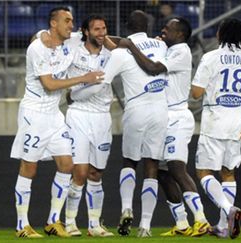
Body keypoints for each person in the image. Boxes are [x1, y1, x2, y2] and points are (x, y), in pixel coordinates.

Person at [10, 7, 103, 238]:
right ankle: (22, 225)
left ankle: (53, 221)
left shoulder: (70, 40)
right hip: (34, 115)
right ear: (53, 23)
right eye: (67, 21)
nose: (71, 25)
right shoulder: (37, 48)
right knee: (29, 168)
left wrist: (127, 43)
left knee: (67, 165)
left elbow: (98, 36)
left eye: (72, 21)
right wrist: (84, 78)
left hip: (54, 115)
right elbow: (49, 85)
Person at [118, 17, 210, 237]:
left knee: (176, 168)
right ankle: (181, 223)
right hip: (161, 116)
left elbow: (152, 67)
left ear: (179, 34)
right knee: (160, 172)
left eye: (167, 29)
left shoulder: (182, 51)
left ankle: (202, 219)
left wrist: (131, 45)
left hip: (177, 117)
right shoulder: (166, 47)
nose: (162, 30)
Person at [191, 18, 241, 239]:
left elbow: (196, 93)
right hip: (238, 122)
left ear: (219, 35)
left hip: (215, 120)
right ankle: (224, 225)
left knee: (204, 171)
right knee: (228, 172)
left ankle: (228, 209)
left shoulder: (211, 57)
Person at [102, 10, 168, 238]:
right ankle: (146, 226)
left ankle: (126, 208)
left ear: (127, 27)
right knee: (152, 165)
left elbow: (103, 79)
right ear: (148, 26)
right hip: (160, 110)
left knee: (130, 161)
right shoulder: (161, 46)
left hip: (137, 109)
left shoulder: (121, 53)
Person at [59, 15, 114, 237]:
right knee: (79, 172)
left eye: (104, 28)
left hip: (103, 117)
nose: (101, 33)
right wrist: (73, 94)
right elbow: (43, 37)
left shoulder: (112, 55)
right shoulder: (72, 47)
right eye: (97, 29)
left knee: (96, 173)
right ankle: (70, 222)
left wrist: (73, 94)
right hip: (79, 116)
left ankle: (94, 225)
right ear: (85, 31)